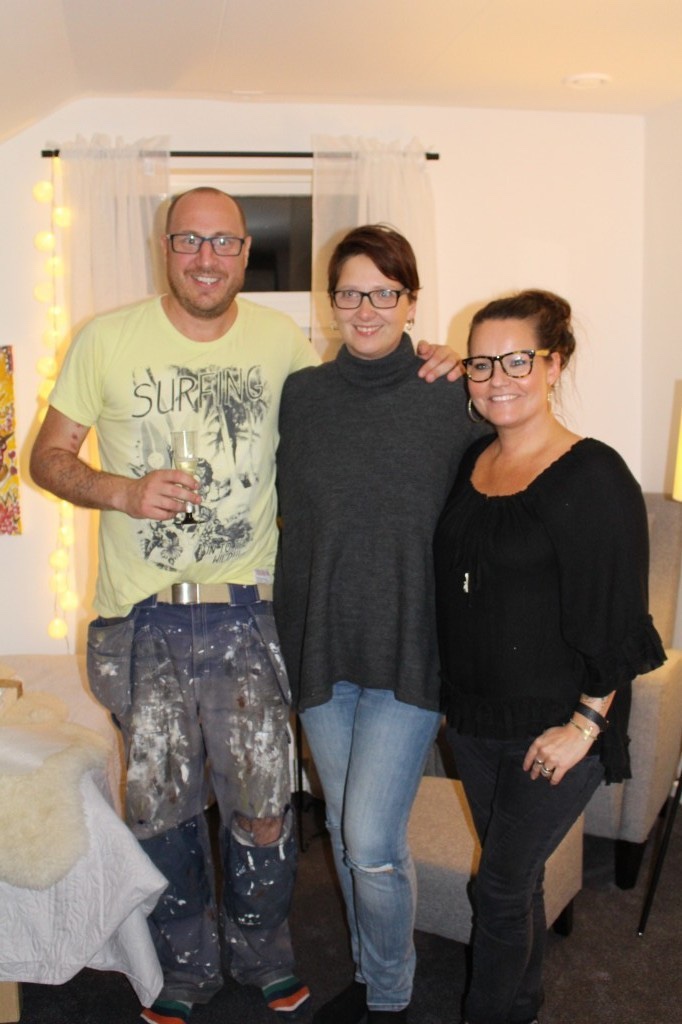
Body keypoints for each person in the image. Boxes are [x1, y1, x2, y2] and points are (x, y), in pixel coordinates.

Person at [28, 189, 460, 1024]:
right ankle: (186, 965)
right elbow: (48, 458)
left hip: (249, 616)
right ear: (165, 246)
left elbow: (362, 388)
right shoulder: (104, 339)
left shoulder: (284, 345)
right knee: (163, 812)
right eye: (190, 240)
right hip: (142, 619)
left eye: (224, 242)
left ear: (244, 252)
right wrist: (121, 490)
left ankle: (264, 953)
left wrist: (432, 357)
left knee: (264, 810)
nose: (206, 258)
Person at [433, 289, 666, 1024]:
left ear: (554, 364)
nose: (497, 378)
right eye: (480, 363)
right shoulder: (471, 460)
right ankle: (522, 1004)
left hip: (556, 727)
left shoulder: (592, 476)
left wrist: (585, 725)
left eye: (517, 361)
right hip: (475, 721)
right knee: (519, 880)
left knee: (498, 887)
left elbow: (619, 620)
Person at [273, 224, 487, 1024]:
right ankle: (370, 974)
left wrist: (464, 365)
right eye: (350, 293)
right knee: (340, 826)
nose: (366, 309)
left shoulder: (450, 394)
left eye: (383, 293)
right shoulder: (303, 396)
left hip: (410, 651)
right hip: (321, 646)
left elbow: (506, 488)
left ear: (410, 300)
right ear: (331, 301)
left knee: (368, 839)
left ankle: (391, 994)